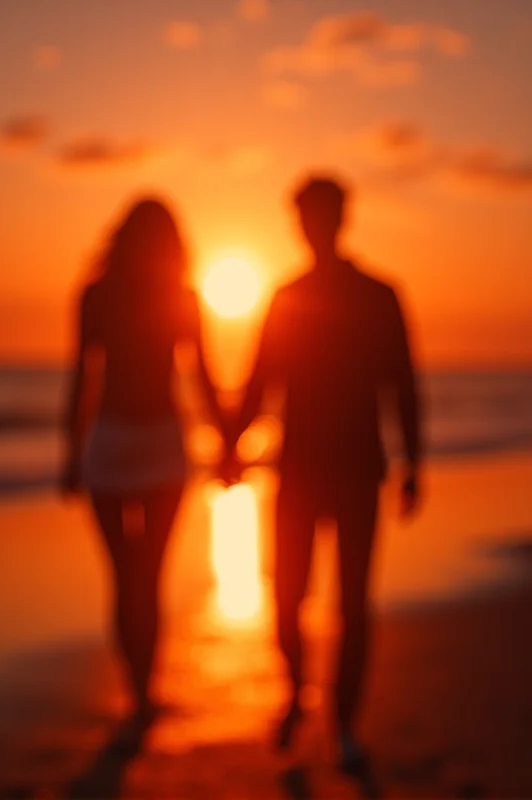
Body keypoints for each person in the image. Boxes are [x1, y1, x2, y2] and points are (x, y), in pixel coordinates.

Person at [221, 175, 422, 770]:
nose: (310, 226)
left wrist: (415, 463)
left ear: (339, 219)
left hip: (360, 467)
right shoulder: (287, 297)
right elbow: (261, 380)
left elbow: (403, 384)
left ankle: (345, 726)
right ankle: (297, 692)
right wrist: (231, 447)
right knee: (287, 596)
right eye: (304, 216)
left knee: (354, 603)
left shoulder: (379, 294)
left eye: (318, 215)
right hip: (300, 469)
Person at [62, 197, 225, 750]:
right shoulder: (179, 298)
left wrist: (70, 453)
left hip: (111, 445)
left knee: (122, 577)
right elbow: (203, 378)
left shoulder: (97, 296)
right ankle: (142, 691)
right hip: (156, 442)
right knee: (146, 578)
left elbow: (80, 379)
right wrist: (226, 439)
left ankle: (137, 690)